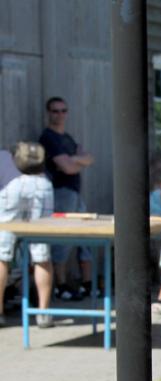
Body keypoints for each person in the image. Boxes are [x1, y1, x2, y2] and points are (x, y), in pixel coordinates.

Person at [38, 97, 95, 301]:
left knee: (86, 234)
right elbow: (67, 168)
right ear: (48, 113)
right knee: (63, 238)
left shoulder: (68, 138)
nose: (59, 114)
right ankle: (61, 285)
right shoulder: (48, 138)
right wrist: (76, 162)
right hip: (60, 191)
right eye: (55, 111)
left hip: (75, 192)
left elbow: (88, 158)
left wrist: (74, 160)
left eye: (63, 110)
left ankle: (88, 283)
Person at [0, 144, 55, 328]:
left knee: (2, 255)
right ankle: (43, 313)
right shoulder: (44, 181)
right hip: (41, 185)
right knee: (41, 253)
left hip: (13, 186)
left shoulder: (6, 160)